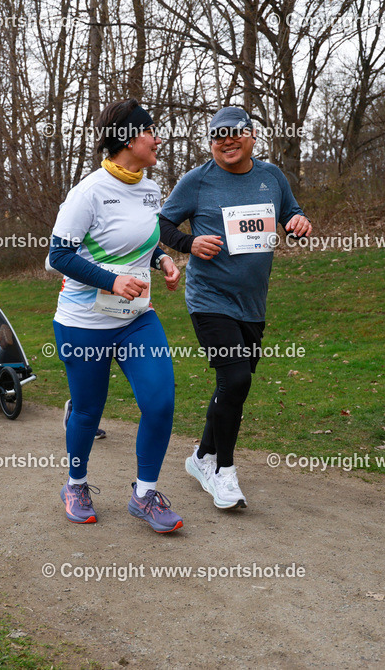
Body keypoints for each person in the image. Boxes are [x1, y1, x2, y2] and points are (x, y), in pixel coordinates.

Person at [159, 106, 311, 510]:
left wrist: (297, 221)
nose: (226, 141)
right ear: (211, 142)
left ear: (252, 135)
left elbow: (289, 213)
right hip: (209, 299)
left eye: (234, 133)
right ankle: (223, 472)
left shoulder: (271, 176)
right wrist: (189, 244)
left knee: (233, 386)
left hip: (252, 304)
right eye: (217, 136)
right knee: (236, 379)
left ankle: (200, 457)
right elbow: (160, 226)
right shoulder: (197, 180)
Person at [49, 98, 183, 532]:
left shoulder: (149, 186)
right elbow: (58, 256)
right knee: (88, 411)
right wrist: (110, 281)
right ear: (128, 138)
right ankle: (77, 484)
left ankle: (144, 494)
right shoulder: (87, 193)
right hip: (84, 322)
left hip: (135, 317)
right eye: (150, 131)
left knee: (160, 402)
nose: (157, 138)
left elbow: (139, 240)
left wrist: (160, 259)